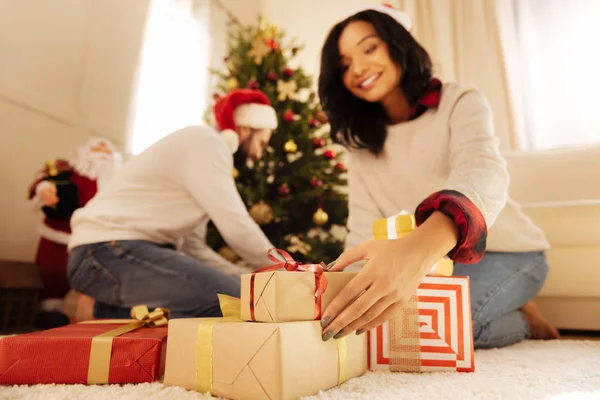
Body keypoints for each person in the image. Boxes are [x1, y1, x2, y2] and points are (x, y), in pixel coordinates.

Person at [317, 4, 559, 348]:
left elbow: (484, 171)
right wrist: (348, 288)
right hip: (439, 262)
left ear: (397, 44)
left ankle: (524, 319)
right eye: (343, 65)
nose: (357, 68)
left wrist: (419, 247)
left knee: (446, 330)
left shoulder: (459, 101)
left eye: (369, 48)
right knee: (394, 328)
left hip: (509, 252)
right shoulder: (361, 147)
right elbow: (363, 229)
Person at [66, 89, 278, 320]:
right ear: (245, 129)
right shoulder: (207, 144)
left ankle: (102, 311)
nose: (259, 154)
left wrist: (244, 277)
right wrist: (288, 269)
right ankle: (100, 311)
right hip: (105, 251)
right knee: (238, 304)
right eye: (262, 143)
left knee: (234, 300)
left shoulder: (204, 159)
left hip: (116, 253)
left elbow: (193, 248)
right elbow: (237, 225)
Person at [28, 138, 122, 327]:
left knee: (98, 287)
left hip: (101, 242)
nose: (102, 153)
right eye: (97, 148)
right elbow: (41, 184)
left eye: (107, 150)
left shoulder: (121, 183)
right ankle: (49, 320)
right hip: (59, 239)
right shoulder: (71, 173)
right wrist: (45, 190)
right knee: (53, 282)